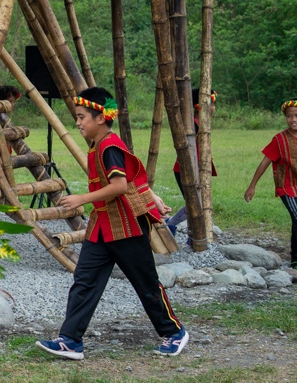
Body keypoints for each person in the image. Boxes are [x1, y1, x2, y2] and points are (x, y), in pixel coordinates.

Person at [37, 87, 188, 361]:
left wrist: (82, 198)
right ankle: (70, 340)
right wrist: (153, 196)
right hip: (102, 226)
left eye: (82, 116)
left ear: (101, 118)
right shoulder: (101, 145)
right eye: (78, 117)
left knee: (145, 283)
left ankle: (174, 332)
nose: (78, 122)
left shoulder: (109, 146)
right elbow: (132, 178)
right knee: (85, 280)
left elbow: (119, 186)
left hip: (126, 227)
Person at [245, 100, 297, 276]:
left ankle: (295, 259)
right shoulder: (280, 140)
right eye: (289, 116)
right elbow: (265, 162)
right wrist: (252, 186)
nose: (293, 119)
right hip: (288, 187)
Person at [165, 92, 217, 236]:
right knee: (194, 203)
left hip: (196, 169)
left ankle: (182, 228)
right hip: (187, 170)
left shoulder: (200, 124)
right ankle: (173, 225)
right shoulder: (193, 125)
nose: (213, 108)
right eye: (211, 104)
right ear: (199, 106)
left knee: (196, 203)